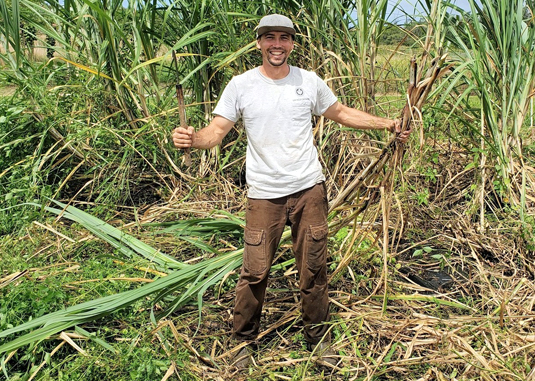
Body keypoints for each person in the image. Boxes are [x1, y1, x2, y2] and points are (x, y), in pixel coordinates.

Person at [172, 14, 411, 368]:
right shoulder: (241, 86)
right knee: (254, 271)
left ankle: (318, 341)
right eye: (270, 37)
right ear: (259, 43)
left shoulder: (309, 82)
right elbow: (215, 132)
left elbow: (341, 112)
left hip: (308, 191)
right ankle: (242, 343)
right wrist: (192, 139)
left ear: (292, 44)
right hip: (264, 195)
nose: (277, 45)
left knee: (313, 269)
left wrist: (388, 124)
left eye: (284, 38)